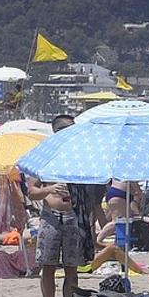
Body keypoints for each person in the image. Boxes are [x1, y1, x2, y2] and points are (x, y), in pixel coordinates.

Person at [50, 114, 106, 268]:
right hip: (56, 215)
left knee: (74, 264)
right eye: (72, 129)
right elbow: (34, 188)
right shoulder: (49, 153)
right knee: (50, 265)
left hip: (80, 210)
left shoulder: (83, 152)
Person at [27, 175, 81, 297]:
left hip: (73, 215)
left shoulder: (77, 162)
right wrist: (50, 189)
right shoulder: (45, 164)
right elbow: (31, 192)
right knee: (48, 266)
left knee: (72, 268)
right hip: (51, 216)